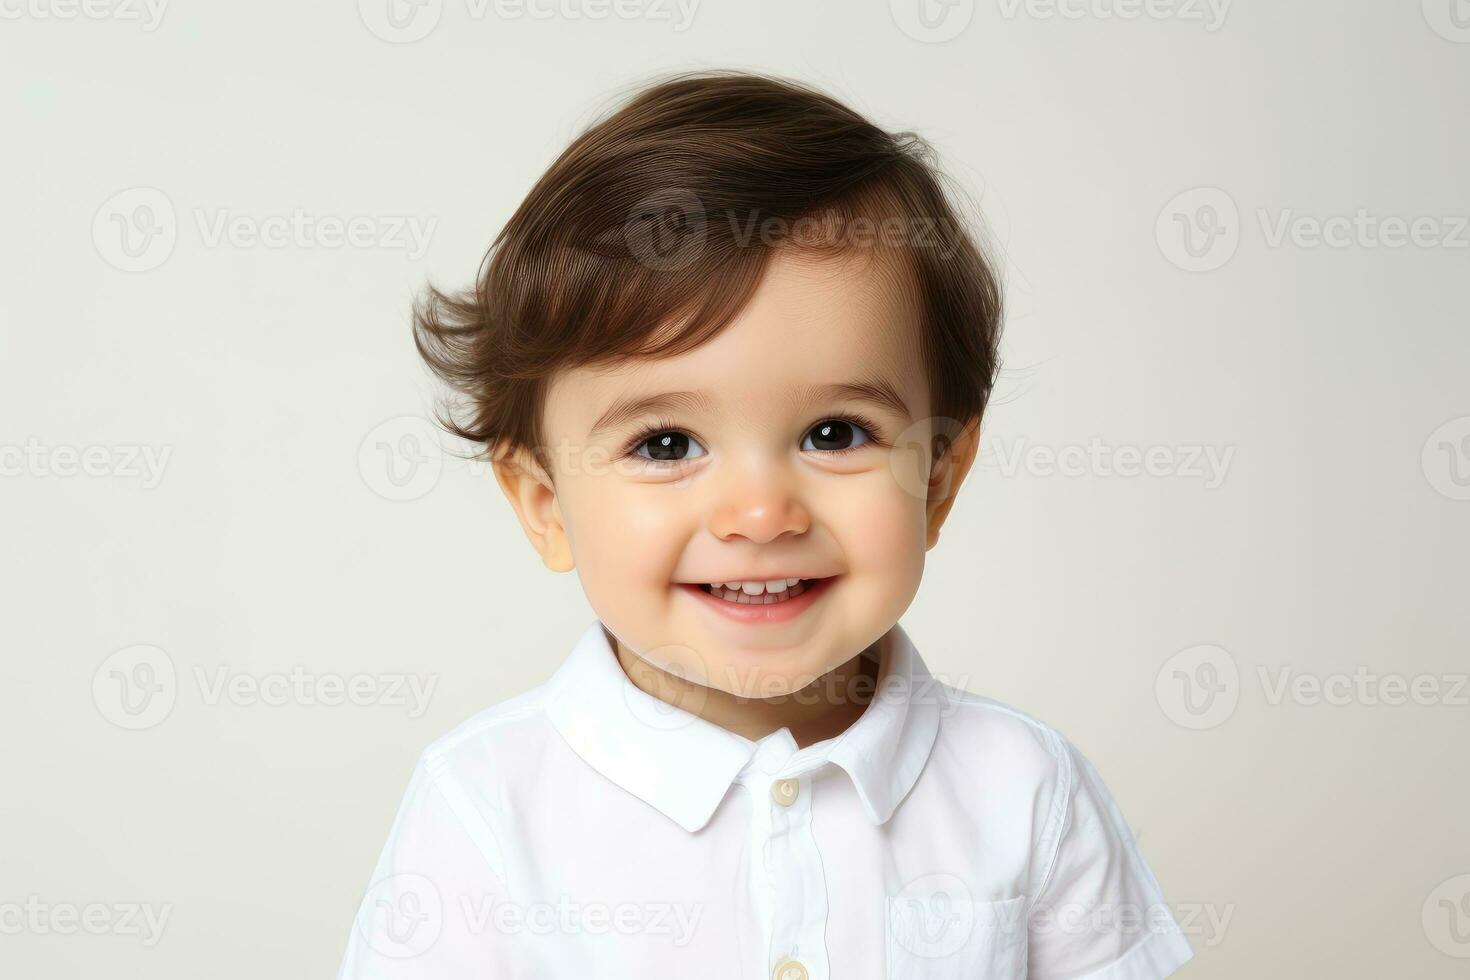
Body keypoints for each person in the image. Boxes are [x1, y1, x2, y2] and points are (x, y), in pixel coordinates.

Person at [337, 69, 1194, 980]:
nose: (759, 514)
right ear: (545, 505)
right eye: (666, 443)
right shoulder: (485, 807)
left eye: (835, 434)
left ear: (939, 477)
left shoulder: (1025, 791)